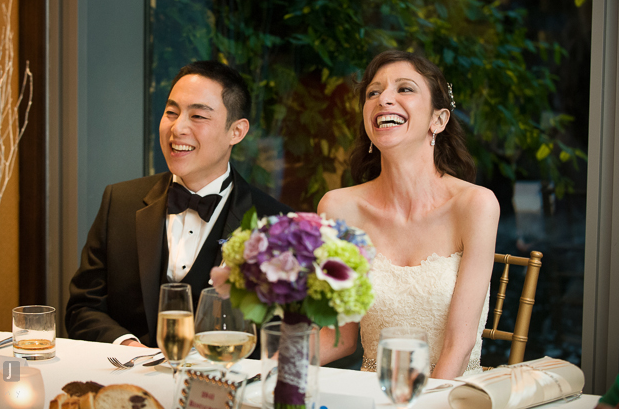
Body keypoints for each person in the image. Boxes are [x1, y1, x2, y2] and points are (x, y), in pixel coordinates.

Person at [66, 60, 291, 348]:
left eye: (198, 116)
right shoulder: (119, 202)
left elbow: (280, 333)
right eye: (171, 112)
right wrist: (127, 347)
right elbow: (82, 309)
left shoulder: (275, 223)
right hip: (130, 381)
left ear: (236, 131)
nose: (178, 127)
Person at [318, 50, 499, 379]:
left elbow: (459, 345)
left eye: (404, 89)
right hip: (372, 396)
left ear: (438, 120)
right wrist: (272, 361)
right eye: (373, 92)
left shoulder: (476, 205)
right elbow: (339, 337)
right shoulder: (338, 209)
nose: (384, 99)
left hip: (449, 395)